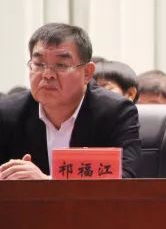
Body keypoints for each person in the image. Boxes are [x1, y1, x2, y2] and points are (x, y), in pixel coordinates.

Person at [0, 23, 141, 179]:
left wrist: (46, 183)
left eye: (61, 65)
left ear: (87, 73)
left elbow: (125, 179)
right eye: (39, 64)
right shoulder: (7, 113)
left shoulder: (115, 112)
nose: (47, 74)